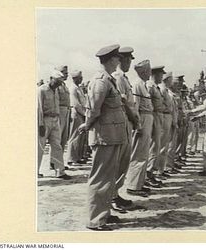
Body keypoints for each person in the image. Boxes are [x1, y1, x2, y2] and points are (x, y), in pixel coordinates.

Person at [78, 44, 126, 231]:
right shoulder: (100, 81)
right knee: (100, 178)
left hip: (112, 135)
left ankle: (104, 214)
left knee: (109, 176)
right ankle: (95, 220)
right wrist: (87, 124)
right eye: (117, 58)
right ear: (109, 60)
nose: (119, 61)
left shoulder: (108, 79)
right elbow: (94, 109)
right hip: (104, 136)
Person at [111, 46, 138, 212]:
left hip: (127, 122)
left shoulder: (124, 78)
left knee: (123, 162)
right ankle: (112, 197)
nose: (128, 63)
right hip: (122, 122)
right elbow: (123, 103)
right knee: (117, 162)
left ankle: (115, 194)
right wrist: (134, 118)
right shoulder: (118, 78)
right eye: (126, 60)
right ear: (119, 60)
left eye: (130, 60)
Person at [125, 60, 153, 197]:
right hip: (142, 119)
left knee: (144, 153)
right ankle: (133, 186)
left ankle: (139, 183)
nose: (150, 73)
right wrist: (138, 125)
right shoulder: (137, 85)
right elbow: (135, 106)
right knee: (138, 154)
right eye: (148, 71)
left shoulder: (143, 85)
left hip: (147, 118)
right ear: (143, 72)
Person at [37, 70, 71, 180]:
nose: (57, 85)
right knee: (40, 147)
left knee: (57, 146)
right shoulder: (42, 90)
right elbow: (39, 108)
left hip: (55, 120)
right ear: (51, 78)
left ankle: (60, 171)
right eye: (56, 82)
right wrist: (40, 124)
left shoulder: (56, 90)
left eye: (59, 83)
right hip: (45, 120)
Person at [146, 65, 166, 184]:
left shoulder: (155, 87)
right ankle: (148, 173)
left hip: (158, 116)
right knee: (153, 146)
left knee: (156, 146)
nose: (162, 77)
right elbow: (148, 103)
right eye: (161, 75)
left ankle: (151, 171)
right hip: (153, 116)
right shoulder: (150, 86)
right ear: (155, 75)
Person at [66, 70, 87, 165]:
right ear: (74, 78)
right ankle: (72, 158)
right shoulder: (73, 88)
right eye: (79, 78)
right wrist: (84, 113)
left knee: (80, 136)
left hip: (81, 113)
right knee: (74, 136)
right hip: (76, 113)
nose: (81, 79)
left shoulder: (78, 88)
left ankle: (77, 157)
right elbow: (76, 104)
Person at [158, 72, 176, 175]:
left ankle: (161, 169)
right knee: (162, 145)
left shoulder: (165, 90)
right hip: (164, 116)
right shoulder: (162, 89)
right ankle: (159, 171)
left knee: (165, 145)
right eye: (171, 79)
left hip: (167, 116)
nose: (172, 82)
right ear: (167, 79)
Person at [55, 65, 70, 152]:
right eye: (65, 73)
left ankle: (59, 162)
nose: (67, 75)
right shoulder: (57, 86)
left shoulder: (64, 85)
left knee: (64, 138)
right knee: (57, 138)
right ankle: (53, 163)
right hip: (59, 112)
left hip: (66, 111)